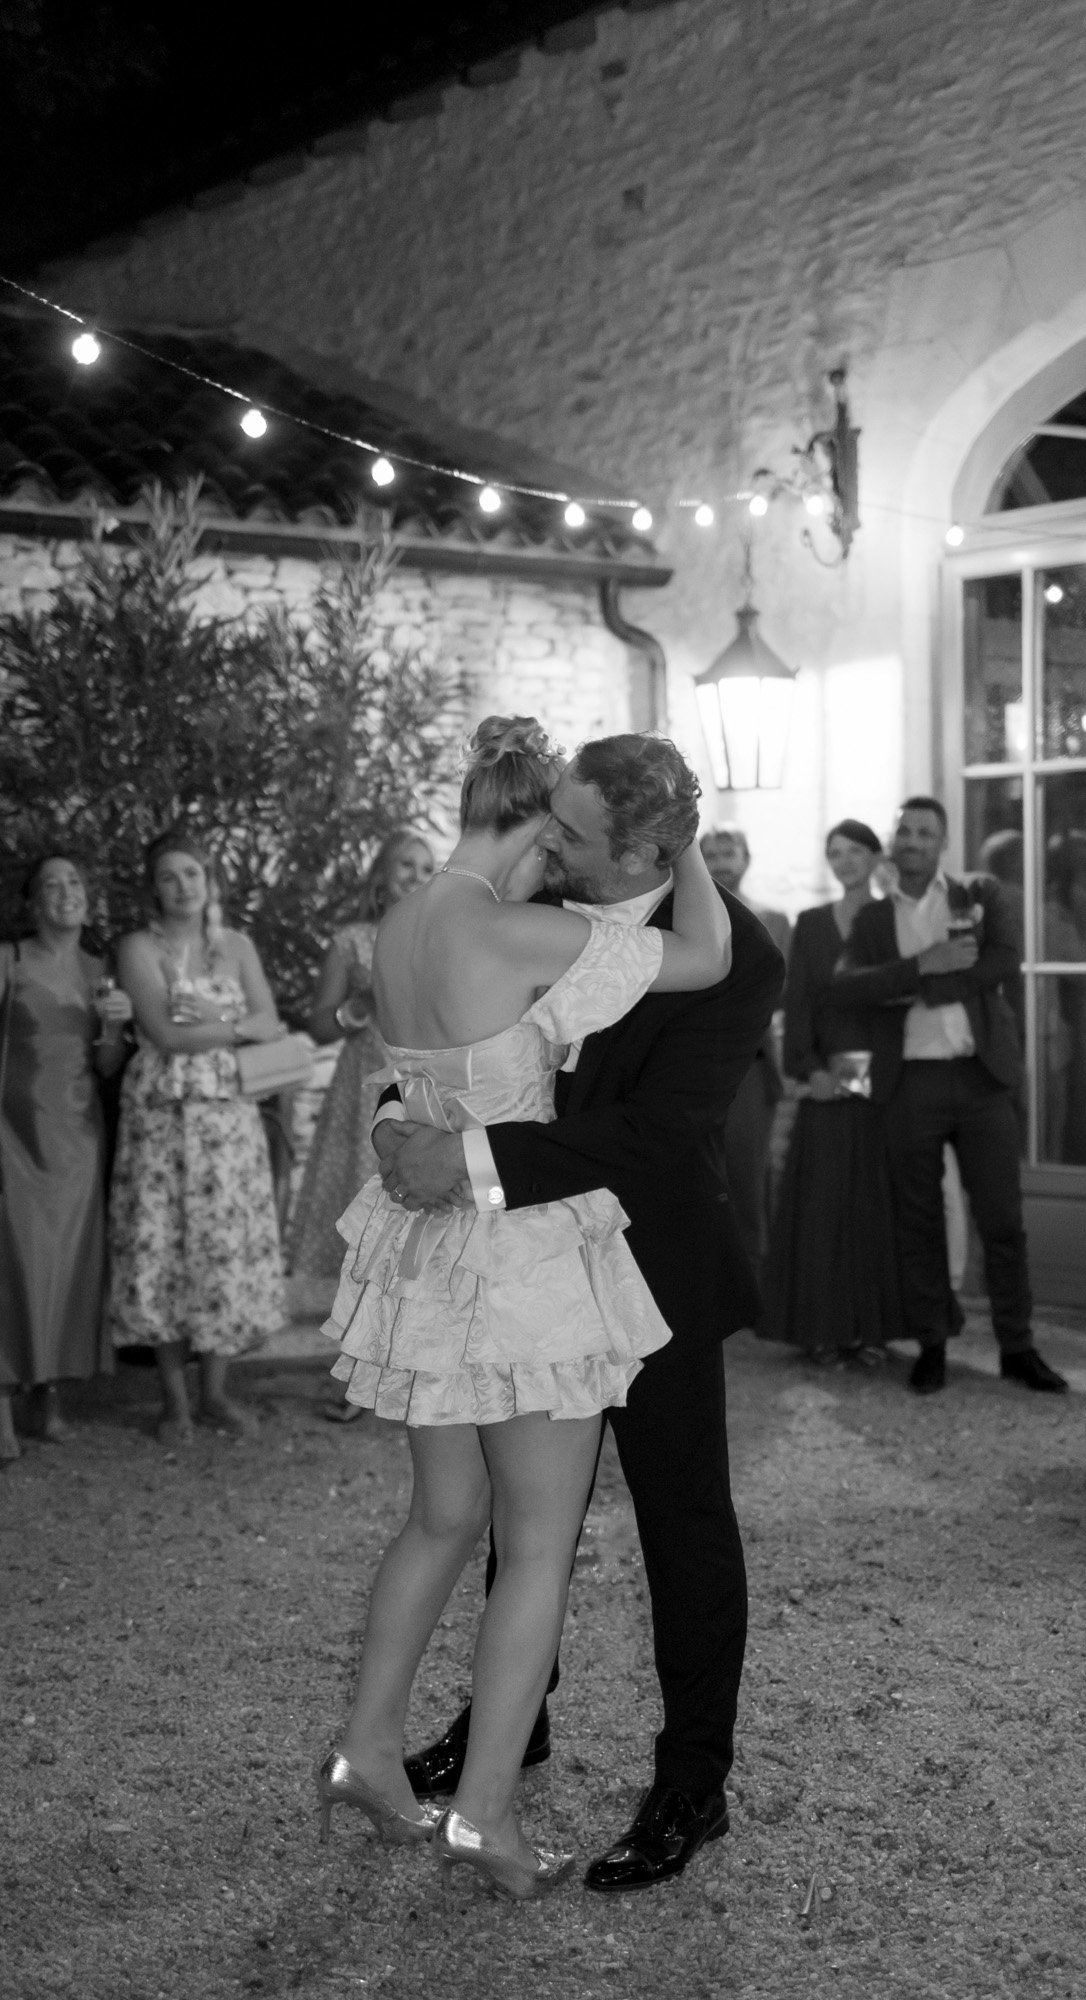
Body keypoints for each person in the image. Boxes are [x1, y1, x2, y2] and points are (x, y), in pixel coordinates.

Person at [315, 717, 733, 1900]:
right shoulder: (516, 928)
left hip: (425, 1251)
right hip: (520, 1262)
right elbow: (698, 951)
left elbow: (407, 1072)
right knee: (537, 1542)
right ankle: (484, 1814)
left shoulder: (403, 917)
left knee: (441, 1516)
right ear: (542, 822)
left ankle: (369, 1746)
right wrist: (684, 837)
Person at [835, 796, 1068, 1396]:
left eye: (925, 833)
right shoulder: (872, 920)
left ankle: (1018, 1347)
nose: (913, 841)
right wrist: (924, 965)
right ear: (893, 842)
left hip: (980, 1078)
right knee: (918, 1220)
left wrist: (929, 989)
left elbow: (1004, 963)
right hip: (909, 1082)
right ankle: (932, 1343)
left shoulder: (980, 895)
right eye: (904, 832)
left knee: (1002, 1220)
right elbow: (849, 988)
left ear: (942, 843)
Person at [0, 855, 133, 1462]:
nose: (64, 892)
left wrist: (113, 1030)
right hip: (12, 1132)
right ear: (32, 903)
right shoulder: (9, 959)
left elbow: (106, 1069)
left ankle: (47, 1397)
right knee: (11, 1264)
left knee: (70, 1268)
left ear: (88, 898)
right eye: (50, 884)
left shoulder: (103, 971)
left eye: (74, 882)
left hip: (79, 1137)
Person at [107, 830, 286, 1442]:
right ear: (152, 888)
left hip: (229, 1124)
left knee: (222, 1248)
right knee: (161, 1247)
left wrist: (210, 1019)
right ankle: (174, 1401)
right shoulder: (136, 947)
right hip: (161, 1120)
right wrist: (233, 1025)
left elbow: (271, 1021)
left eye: (193, 873)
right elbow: (164, 1034)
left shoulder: (235, 944)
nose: (184, 885)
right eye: (169, 876)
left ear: (209, 881)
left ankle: (214, 1392)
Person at [759, 819, 902, 1362]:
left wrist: (877, 1075)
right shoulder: (812, 924)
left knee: (874, 1211)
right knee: (819, 1208)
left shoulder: (894, 919)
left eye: (853, 852)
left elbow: (901, 1001)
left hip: (882, 1088)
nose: (843, 862)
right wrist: (809, 1070)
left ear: (874, 857)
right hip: (824, 1083)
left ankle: (870, 1330)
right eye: (833, 853)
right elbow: (799, 1005)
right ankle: (820, 1327)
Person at [288, 829, 436, 1284]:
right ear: (380, 876)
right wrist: (358, 1007)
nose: (417, 876)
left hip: (428, 1082)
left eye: (428, 868)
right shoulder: (352, 940)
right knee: (361, 1188)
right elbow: (317, 1025)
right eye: (406, 865)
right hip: (365, 1085)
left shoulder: (444, 937)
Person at [698, 827, 788, 1273]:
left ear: (747, 857)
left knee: (750, 1180)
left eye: (727, 851)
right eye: (708, 853)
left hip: (750, 1069)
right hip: (694, 1068)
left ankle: (753, 1280)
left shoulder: (774, 920)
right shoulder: (684, 920)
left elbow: (786, 995)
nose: (719, 861)